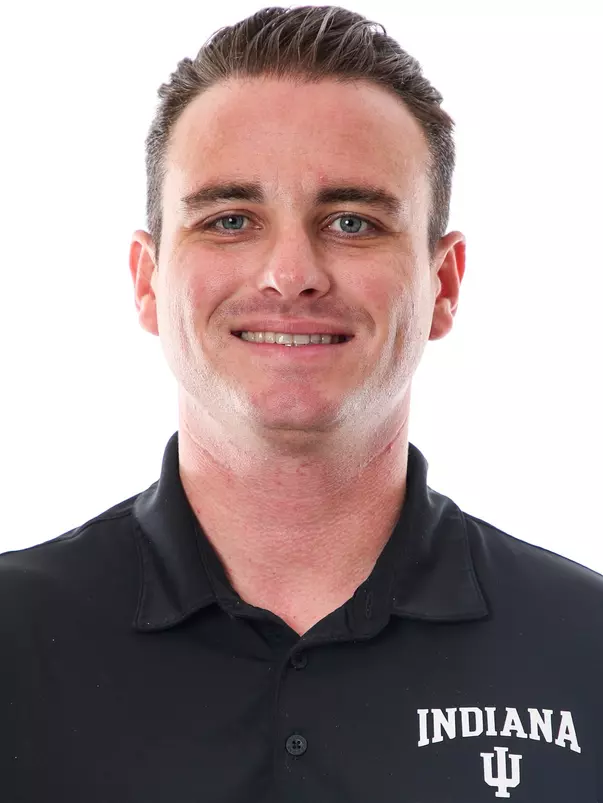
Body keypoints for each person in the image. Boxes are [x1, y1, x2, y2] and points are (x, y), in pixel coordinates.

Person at [1, 5, 601, 801]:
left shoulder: (583, 646)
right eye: (231, 219)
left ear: (444, 286)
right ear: (146, 283)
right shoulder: (13, 641)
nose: (290, 272)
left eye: (351, 221)